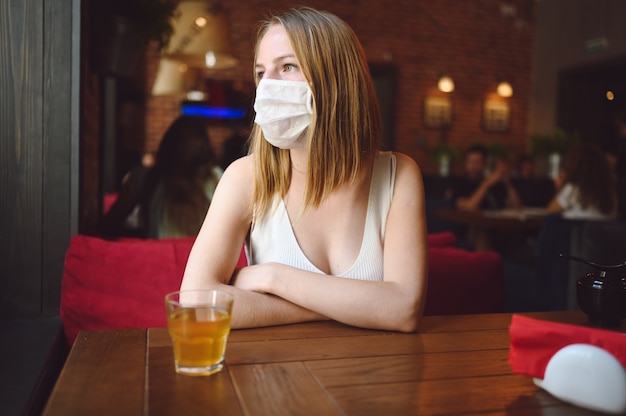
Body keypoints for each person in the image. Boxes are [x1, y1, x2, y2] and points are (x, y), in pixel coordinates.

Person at [181, 7, 428, 333]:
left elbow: (403, 310)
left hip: (375, 378)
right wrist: (349, 307)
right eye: (260, 73)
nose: (266, 86)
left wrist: (275, 277)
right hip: (278, 379)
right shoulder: (245, 177)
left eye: (287, 67)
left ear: (336, 80)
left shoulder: (400, 175)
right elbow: (196, 302)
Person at [100, 115, 223, 238]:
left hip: (158, 255)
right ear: (204, 148)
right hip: (204, 255)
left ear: (167, 145)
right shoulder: (217, 177)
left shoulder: (143, 177)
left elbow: (108, 226)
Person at [546, 142, 617, 220]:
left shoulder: (572, 190)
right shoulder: (609, 195)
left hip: (575, 232)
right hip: (601, 232)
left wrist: (561, 187)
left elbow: (550, 211)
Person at [452, 144, 522, 212]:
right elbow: (469, 207)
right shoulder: (459, 183)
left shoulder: (495, 183)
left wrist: (507, 183)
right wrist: (487, 183)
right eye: (470, 162)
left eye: (478, 162)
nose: (474, 166)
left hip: (498, 222)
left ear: (484, 164)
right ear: (466, 164)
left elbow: (517, 207)